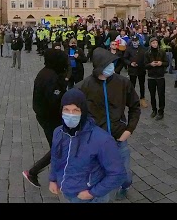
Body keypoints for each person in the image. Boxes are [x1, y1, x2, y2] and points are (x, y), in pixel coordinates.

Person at [76, 47, 141, 200]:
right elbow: (75, 113)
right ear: (98, 67)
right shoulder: (83, 87)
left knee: (123, 173)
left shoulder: (123, 83)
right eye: (107, 65)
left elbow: (135, 107)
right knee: (100, 178)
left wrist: (129, 130)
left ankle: (125, 184)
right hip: (97, 142)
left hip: (119, 139)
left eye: (113, 63)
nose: (112, 67)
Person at [48, 88, 127, 203]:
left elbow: (118, 173)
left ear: (83, 111)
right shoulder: (58, 132)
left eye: (75, 110)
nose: (70, 114)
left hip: (89, 197)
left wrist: (92, 193)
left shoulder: (102, 139)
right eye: (66, 109)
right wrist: (53, 179)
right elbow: (55, 158)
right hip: (66, 192)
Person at [22, 48, 68, 188]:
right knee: (58, 148)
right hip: (50, 118)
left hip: (45, 115)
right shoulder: (50, 77)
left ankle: (55, 175)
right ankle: (34, 172)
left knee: (58, 148)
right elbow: (55, 100)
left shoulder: (46, 72)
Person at [145, 36, 168, 120]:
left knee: (161, 95)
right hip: (151, 76)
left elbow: (167, 63)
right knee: (152, 94)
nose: (155, 44)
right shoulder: (147, 53)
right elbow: (145, 65)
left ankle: (161, 111)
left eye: (156, 43)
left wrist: (161, 63)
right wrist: (150, 64)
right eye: (153, 43)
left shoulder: (162, 52)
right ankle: (154, 110)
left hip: (160, 76)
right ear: (150, 44)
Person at [123, 35, 148, 109]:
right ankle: (132, 99)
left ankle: (142, 98)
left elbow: (145, 59)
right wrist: (130, 63)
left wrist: (141, 64)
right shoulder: (129, 49)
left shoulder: (143, 49)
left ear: (138, 41)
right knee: (132, 84)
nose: (135, 43)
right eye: (133, 41)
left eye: (136, 41)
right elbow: (125, 58)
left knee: (141, 84)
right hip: (132, 70)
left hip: (141, 69)